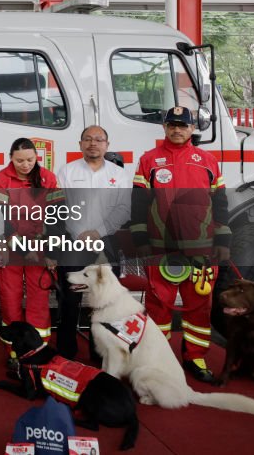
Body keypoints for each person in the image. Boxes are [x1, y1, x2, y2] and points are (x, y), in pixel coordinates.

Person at [130, 106, 231, 383]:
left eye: (183, 125)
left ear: (192, 129)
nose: (177, 129)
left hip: (202, 246)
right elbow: (139, 203)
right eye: (172, 125)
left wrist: (223, 238)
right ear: (164, 127)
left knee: (199, 304)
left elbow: (220, 203)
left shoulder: (208, 160)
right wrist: (140, 238)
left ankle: (195, 357)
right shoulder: (149, 160)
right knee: (158, 303)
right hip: (160, 247)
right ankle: (156, 358)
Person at [54, 126, 131, 360]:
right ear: (80, 144)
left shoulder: (118, 175)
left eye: (98, 139)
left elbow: (124, 209)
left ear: (107, 145)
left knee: (104, 302)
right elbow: (59, 207)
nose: (93, 144)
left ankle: (101, 356)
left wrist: (98, 232)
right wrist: (80, 234)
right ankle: (66, 354)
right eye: (87, 139)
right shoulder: (67, 171)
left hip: (106, 243)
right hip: (72, 242)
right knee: (69, 301)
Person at [0, 138, 64, 364]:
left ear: (36, 158)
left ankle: (38, 351)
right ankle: (13, 355)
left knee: (39, 301)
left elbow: (57, 216)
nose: (25, 165)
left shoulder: (48, 179)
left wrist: (53, 251)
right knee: (10, 299)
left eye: (30, 160)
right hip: (11, 249)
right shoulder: (0, 179)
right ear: (10, 158)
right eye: (19, 160)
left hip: (40, 250)